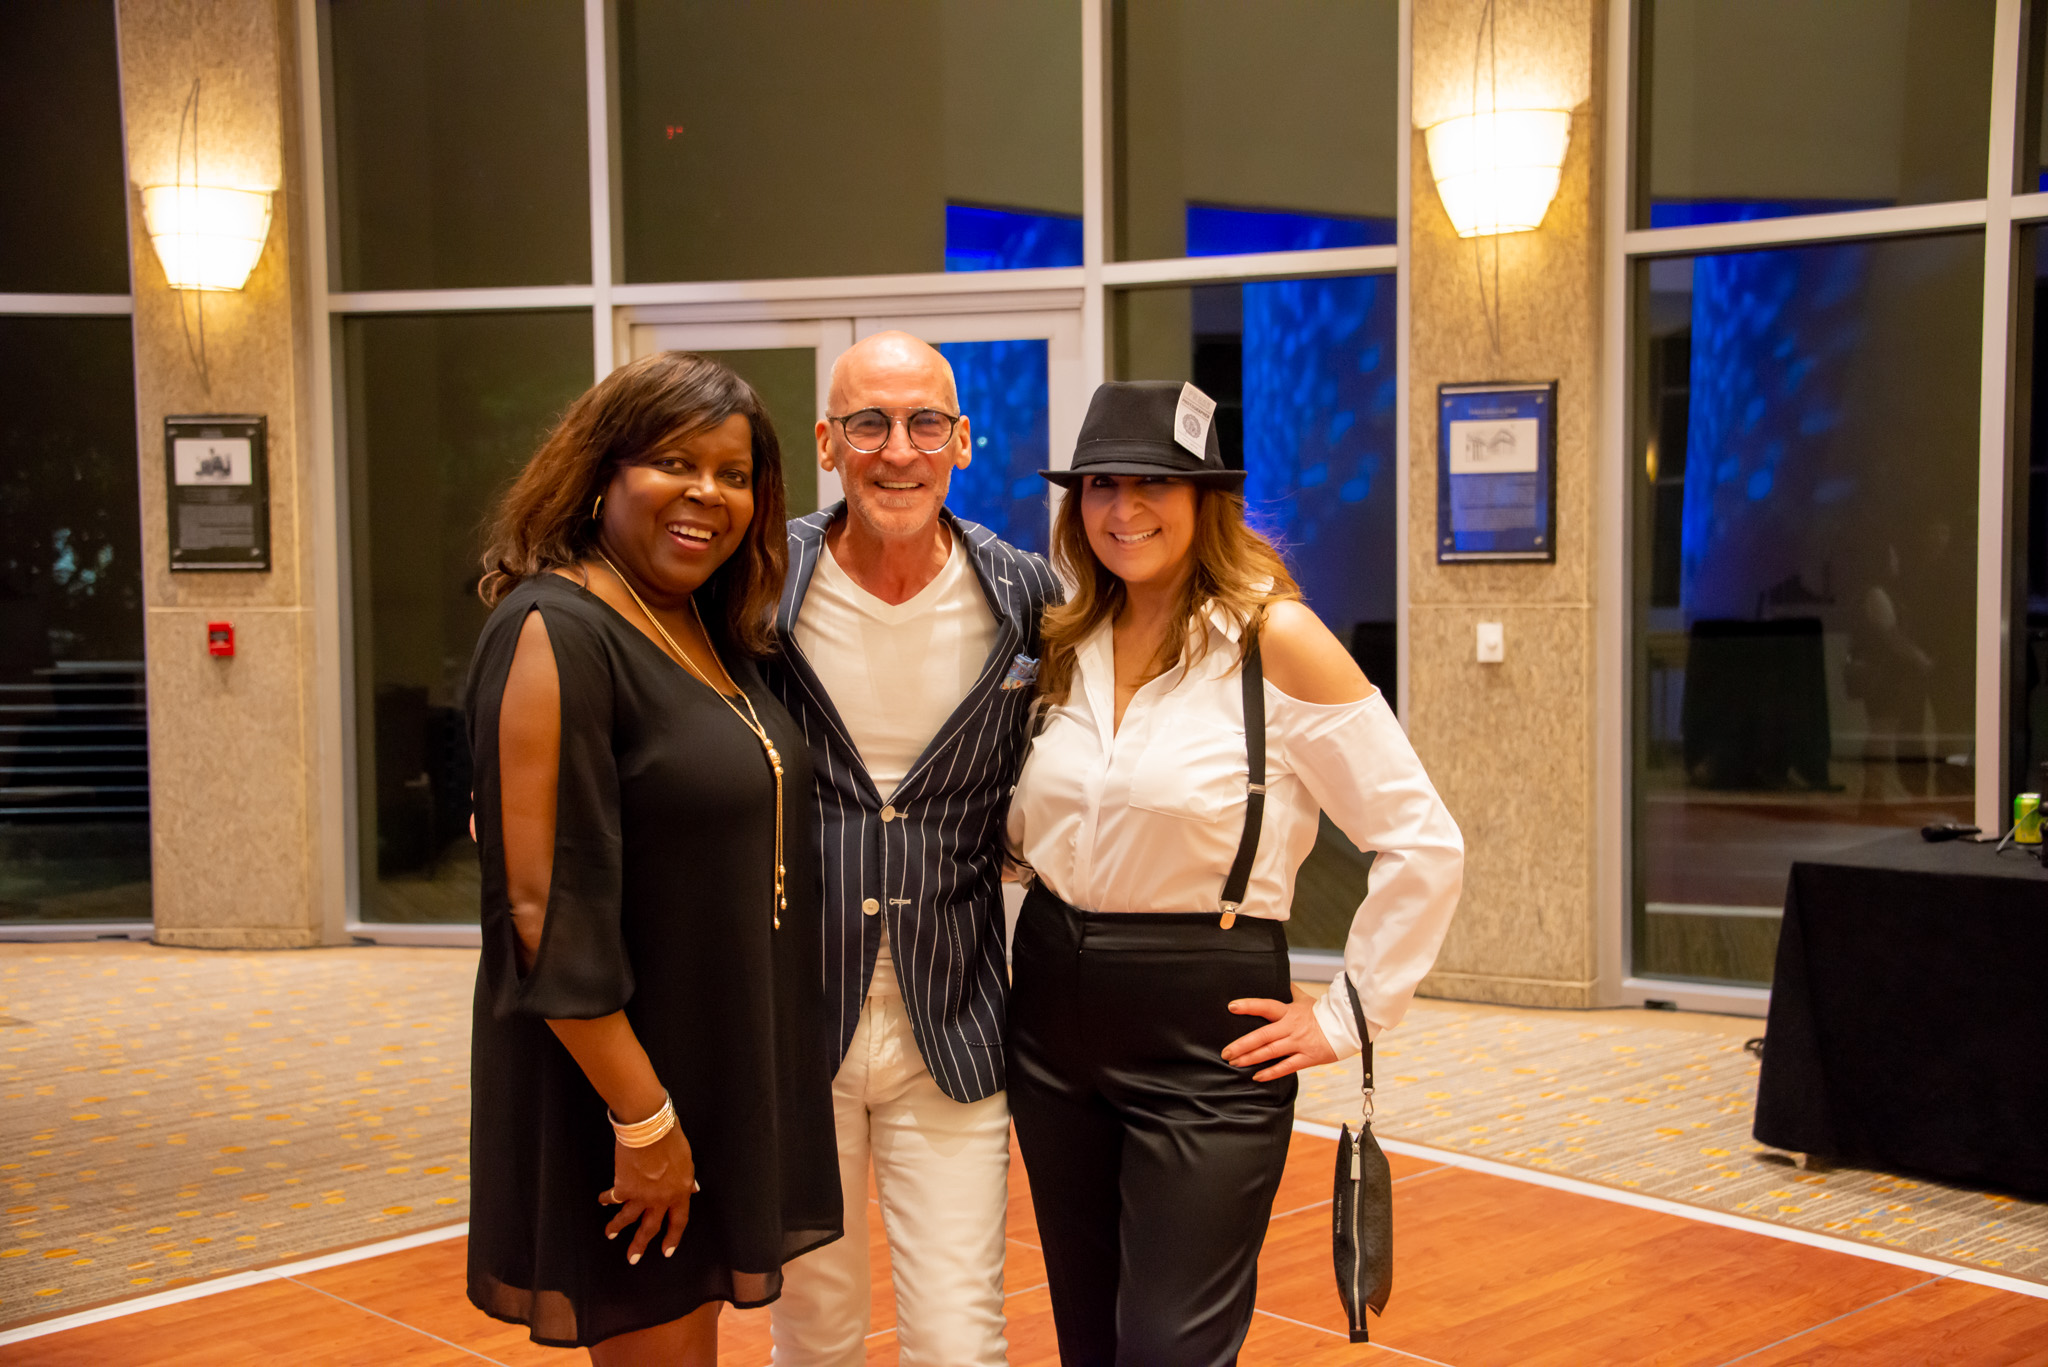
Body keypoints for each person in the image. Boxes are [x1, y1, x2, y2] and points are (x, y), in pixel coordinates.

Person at [1006, 380, 1464, 1366]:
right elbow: (1034, 829)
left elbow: (1422, 839)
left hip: (1206, 1028)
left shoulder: (1273, 640)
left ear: (1205, 498)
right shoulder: (1065, 640)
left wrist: (1346, 1015)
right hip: (1049, 1014)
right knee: (1088, 1330)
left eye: (1152, 484)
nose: (1123, 509)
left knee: (1168, 1342)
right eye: (1100, 485)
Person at [464, 352, 841, 1365]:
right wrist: (642, 1119)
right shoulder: (552, 627)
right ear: (601, 472)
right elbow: (538, 912)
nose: (707, 493)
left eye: (733, 474)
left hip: (711, 1051)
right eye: (674, 462)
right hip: (624, 1080)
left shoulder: (706, 625)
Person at [764, 332, 1059, 1366]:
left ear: (962, 440)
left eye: (925, 422)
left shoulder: (1026, 595)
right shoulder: (760, 582)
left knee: (959, 1335)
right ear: (826, 442)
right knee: (815, 1330)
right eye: (869, 423)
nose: (899, 450)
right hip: (792, 1018)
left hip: (955, 1017)